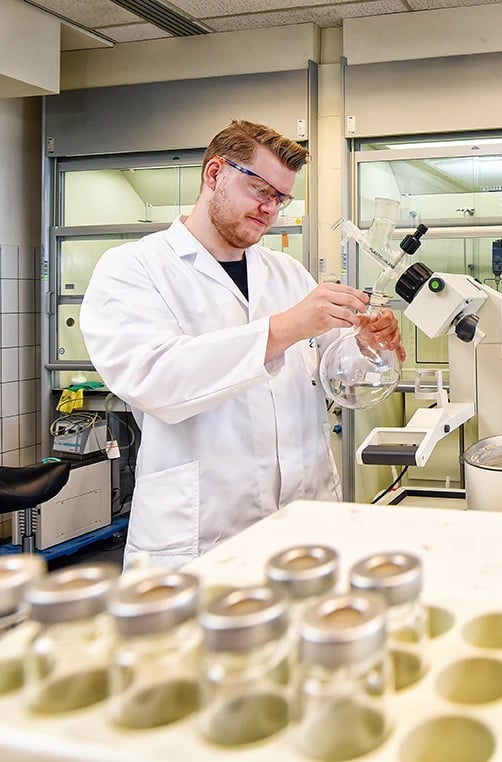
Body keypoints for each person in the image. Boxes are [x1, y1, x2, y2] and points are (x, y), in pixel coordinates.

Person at [80, 119, 405, 568]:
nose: (270, 208)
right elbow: (153, 380)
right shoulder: (133, 268)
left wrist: (367, 345)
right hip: (204, 533)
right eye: (260, 190)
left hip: (306, 517)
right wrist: (285, 328)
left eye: (281, 198)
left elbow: (335, 374)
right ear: (215, 174)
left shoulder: (287, 272)